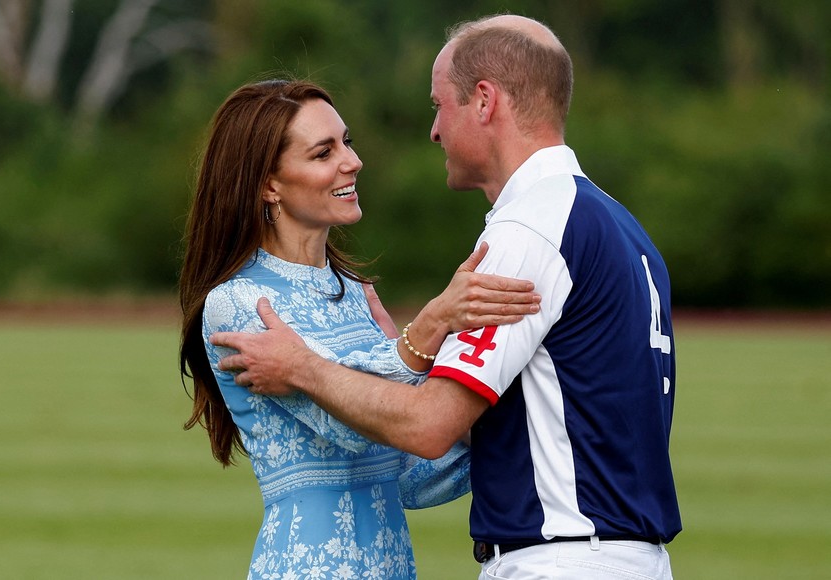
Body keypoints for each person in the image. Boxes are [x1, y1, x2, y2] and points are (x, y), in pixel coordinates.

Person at [212, 14, 681, 580]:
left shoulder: (529, 230)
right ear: (267, 182)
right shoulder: (616, 222)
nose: (433, 130)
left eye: (439, 105)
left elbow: (421, 433)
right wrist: (420, 341)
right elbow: (408, 449)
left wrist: (326, 363)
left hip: (567, 557)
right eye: (323, 151)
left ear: (484, 102)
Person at [178, 79, 541, 579]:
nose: (352, 161)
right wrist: (429, 328)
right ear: (269, 184)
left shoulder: (356, 294)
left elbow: (409, 474)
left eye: (347, 142)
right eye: (324, 152)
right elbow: (350, 426)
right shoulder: (236, 303)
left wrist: (522, 422)